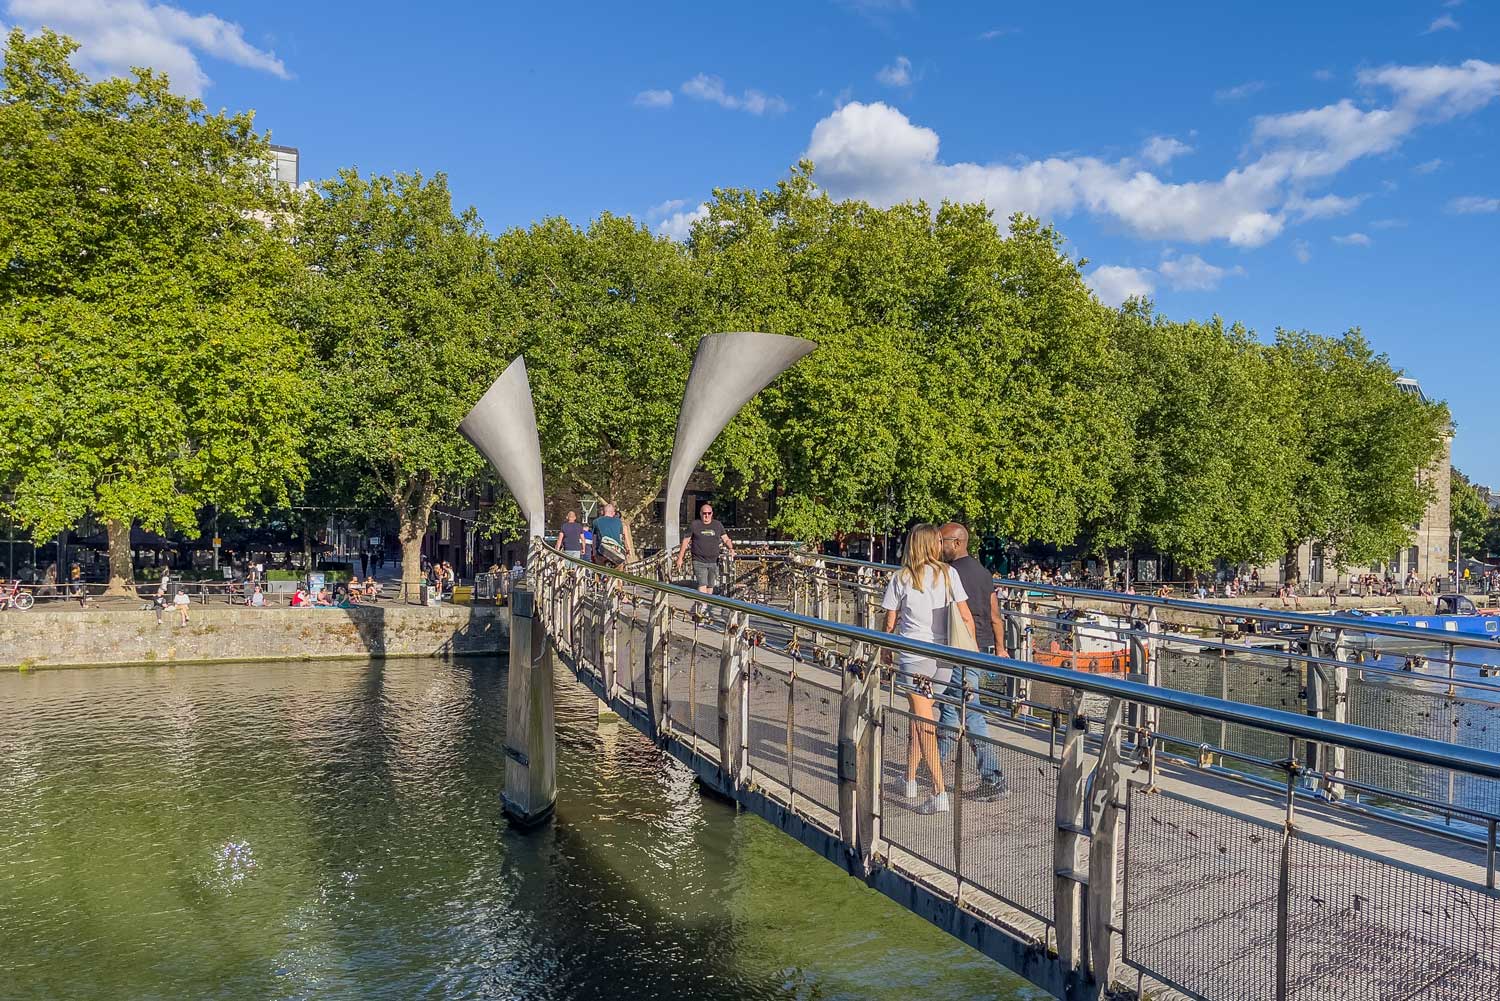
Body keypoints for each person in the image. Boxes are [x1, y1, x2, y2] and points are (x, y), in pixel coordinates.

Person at [881, 524, 977, 816]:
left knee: (923, 722)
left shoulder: (902, 578)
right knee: (921, 716)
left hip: (914, 657)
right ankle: (909, 779)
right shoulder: (950, 574)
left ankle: (939, 792)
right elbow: (965, 617)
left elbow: (889, 623)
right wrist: (970, 654)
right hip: (943, 659)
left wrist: (885, 649)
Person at [937, 522, 1010, 800]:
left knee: (970, 711)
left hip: (960, 648)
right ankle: (935, 764)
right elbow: (995, 615)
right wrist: (1001, 647)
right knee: (950, 707)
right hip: (980, 647)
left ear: (956, 542)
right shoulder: (982, 572)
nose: (937, 546)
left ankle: (993, 777)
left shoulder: (951, 573)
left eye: (941, 540)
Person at [675, 502, 734, 616]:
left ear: (712, 514)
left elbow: (726, 538)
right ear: (700, 514)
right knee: (702, 583)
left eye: (709, 513)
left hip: (713, 561)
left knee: (710, 586)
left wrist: (731, 548)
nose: (706, 516)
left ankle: (700, 605)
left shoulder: (718, 525)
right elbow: (686, 541)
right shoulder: (694, 525)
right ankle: (703, 608)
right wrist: (680, 557)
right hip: (698, 560)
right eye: (704, 513)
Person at [592, 502, 635, 566]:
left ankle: (601, 575)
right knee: (619, 570)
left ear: (604, 512)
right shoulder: (619, 522)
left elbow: (594, 538)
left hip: (602, 552)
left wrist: (594, 552)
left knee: (600, 570)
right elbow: (622, 538)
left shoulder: (596, 521)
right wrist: (628, 550)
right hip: (616, 553)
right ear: (613, 512)